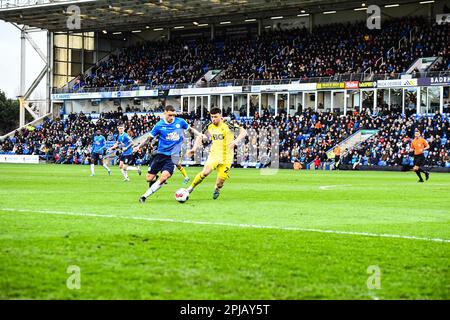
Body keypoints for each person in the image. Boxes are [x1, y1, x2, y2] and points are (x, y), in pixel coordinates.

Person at [133, 105, 204, 203]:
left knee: (164, 177)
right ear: (165, 113)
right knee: (149, 178)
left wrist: (199, 134)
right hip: (160, 155)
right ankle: (156, 180)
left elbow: (190, 129)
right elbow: (148, 139)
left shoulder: (180, 122)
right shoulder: (159, 125)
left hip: (173, 156)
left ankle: (144, 196)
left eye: (173, 115)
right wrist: (138, 147)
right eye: (170, 115)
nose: (172, 117)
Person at [186, 107, 247, 200]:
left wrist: (236, 141)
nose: (213, 119)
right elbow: (201, 137)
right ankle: (190, 188)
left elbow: (244, 132)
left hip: (227, 157)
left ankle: (217, 188)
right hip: (214, 155)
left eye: (215, 117)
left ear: (220, 116)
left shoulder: (228, 124)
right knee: (205, 172)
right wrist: (194, 149)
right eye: (212, 117)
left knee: (220, 183)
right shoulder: (209, 126)